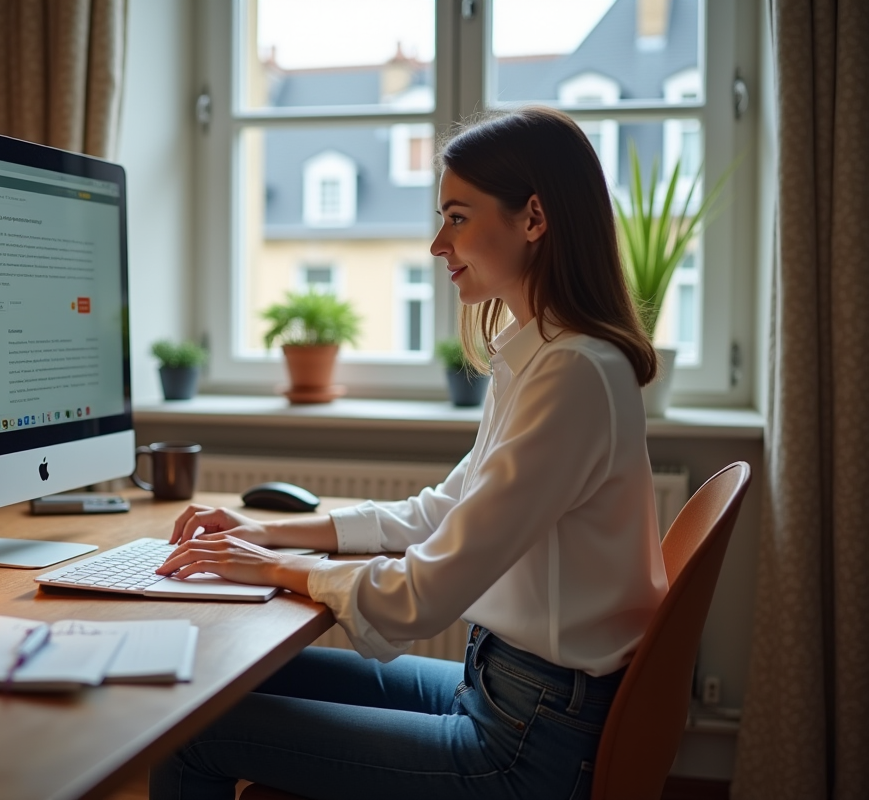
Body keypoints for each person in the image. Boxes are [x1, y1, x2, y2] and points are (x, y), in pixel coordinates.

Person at [150, 106, 669, 800]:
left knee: (192, 732)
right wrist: (266, 531)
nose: (436, 244)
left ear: (534, 219)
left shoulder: (572, 373)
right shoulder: (541, 357)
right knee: (237, 675)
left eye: (457, 217)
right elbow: (437, 513)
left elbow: (423, 593)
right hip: (506, 696)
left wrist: (278, 568)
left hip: (523, 746)